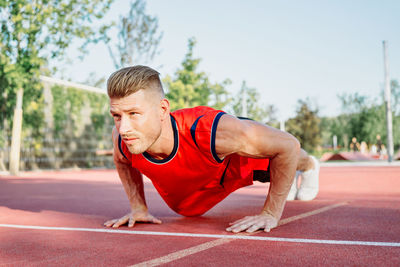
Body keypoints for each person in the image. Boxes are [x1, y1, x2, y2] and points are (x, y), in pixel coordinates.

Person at [103, 65, 320, 233]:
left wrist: (271, 213)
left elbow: (288, 145)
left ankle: (310, 166)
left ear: (162, 109)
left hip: (233, 163)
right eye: (117, 116)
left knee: (287, 158)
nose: (124, 128)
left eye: (134, 114)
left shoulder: (209, 132)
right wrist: (138, 207)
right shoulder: (123, 141)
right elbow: (122, 161)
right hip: (196, 195)